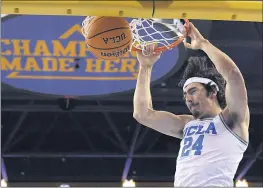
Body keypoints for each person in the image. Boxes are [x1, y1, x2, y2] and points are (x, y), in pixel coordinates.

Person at [133, 22, 250, 187]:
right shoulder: (187, 124)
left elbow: (233, 75)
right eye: (185, 94)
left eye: (193, 91)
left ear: (212, 91)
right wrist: (145, 67)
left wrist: (203, 43)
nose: (187, 98)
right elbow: (142, 114)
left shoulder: (233, 120)